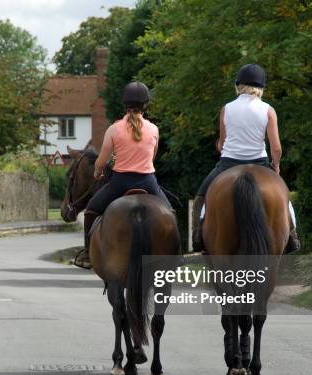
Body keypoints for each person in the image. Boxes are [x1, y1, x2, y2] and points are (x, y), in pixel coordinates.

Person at [191, 64, 300, 253]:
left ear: (238, 85)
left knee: (201, 195)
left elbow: (223, 143)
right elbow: (276, 147)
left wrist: (221, 145)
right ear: (261, 87)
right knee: (284, 197)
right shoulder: (268, 110)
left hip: (228, 164)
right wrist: (276, 165)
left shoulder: (226, 109)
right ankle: (291, 235)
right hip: (260, 162)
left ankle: (198, 236)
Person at [74, 81, 171, 269]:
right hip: (148, 182)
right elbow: (152, 156)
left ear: (124, 105)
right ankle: (176, 253)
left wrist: (97, 171)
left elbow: (101, 162)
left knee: (91, 210)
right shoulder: (154, 129)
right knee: (169, 213)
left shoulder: (114, 129)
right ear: (146, 105)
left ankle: (87, 254)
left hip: (120, 182)